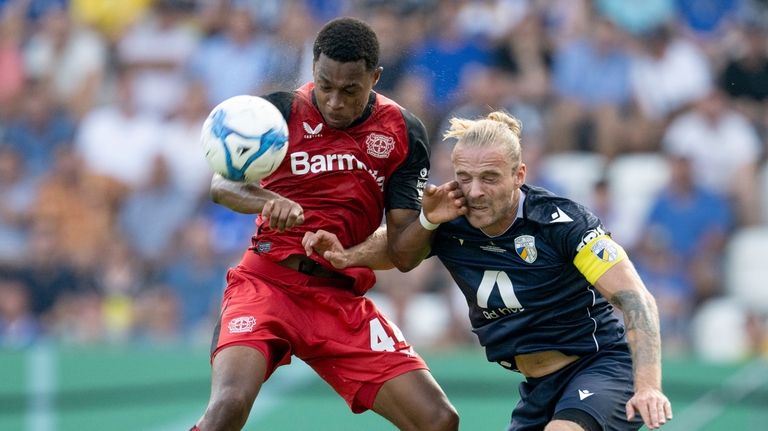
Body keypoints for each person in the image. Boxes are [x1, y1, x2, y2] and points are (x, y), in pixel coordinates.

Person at [303, 111, 674, 430]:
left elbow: (635, 299)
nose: (475, 191)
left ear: (519, 174)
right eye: (464, 177)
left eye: (490, 178)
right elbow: (400, 249)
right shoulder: (450, 219)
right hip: (537, 388)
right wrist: (349, 254)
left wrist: (648, 386)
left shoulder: (561, 222)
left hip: (600, 367)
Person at [191, 17, 459, 431]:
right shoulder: (278, 111)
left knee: (439, 420)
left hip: (339, 298)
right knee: (227, 407)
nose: (334, 101)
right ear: (313, 69)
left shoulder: (403, 133)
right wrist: (270, 200)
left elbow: (405, 253)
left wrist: (426, 220)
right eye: (324, 85)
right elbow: (222, 186)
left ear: (375, 77)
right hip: (267, 284)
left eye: (349, 90)